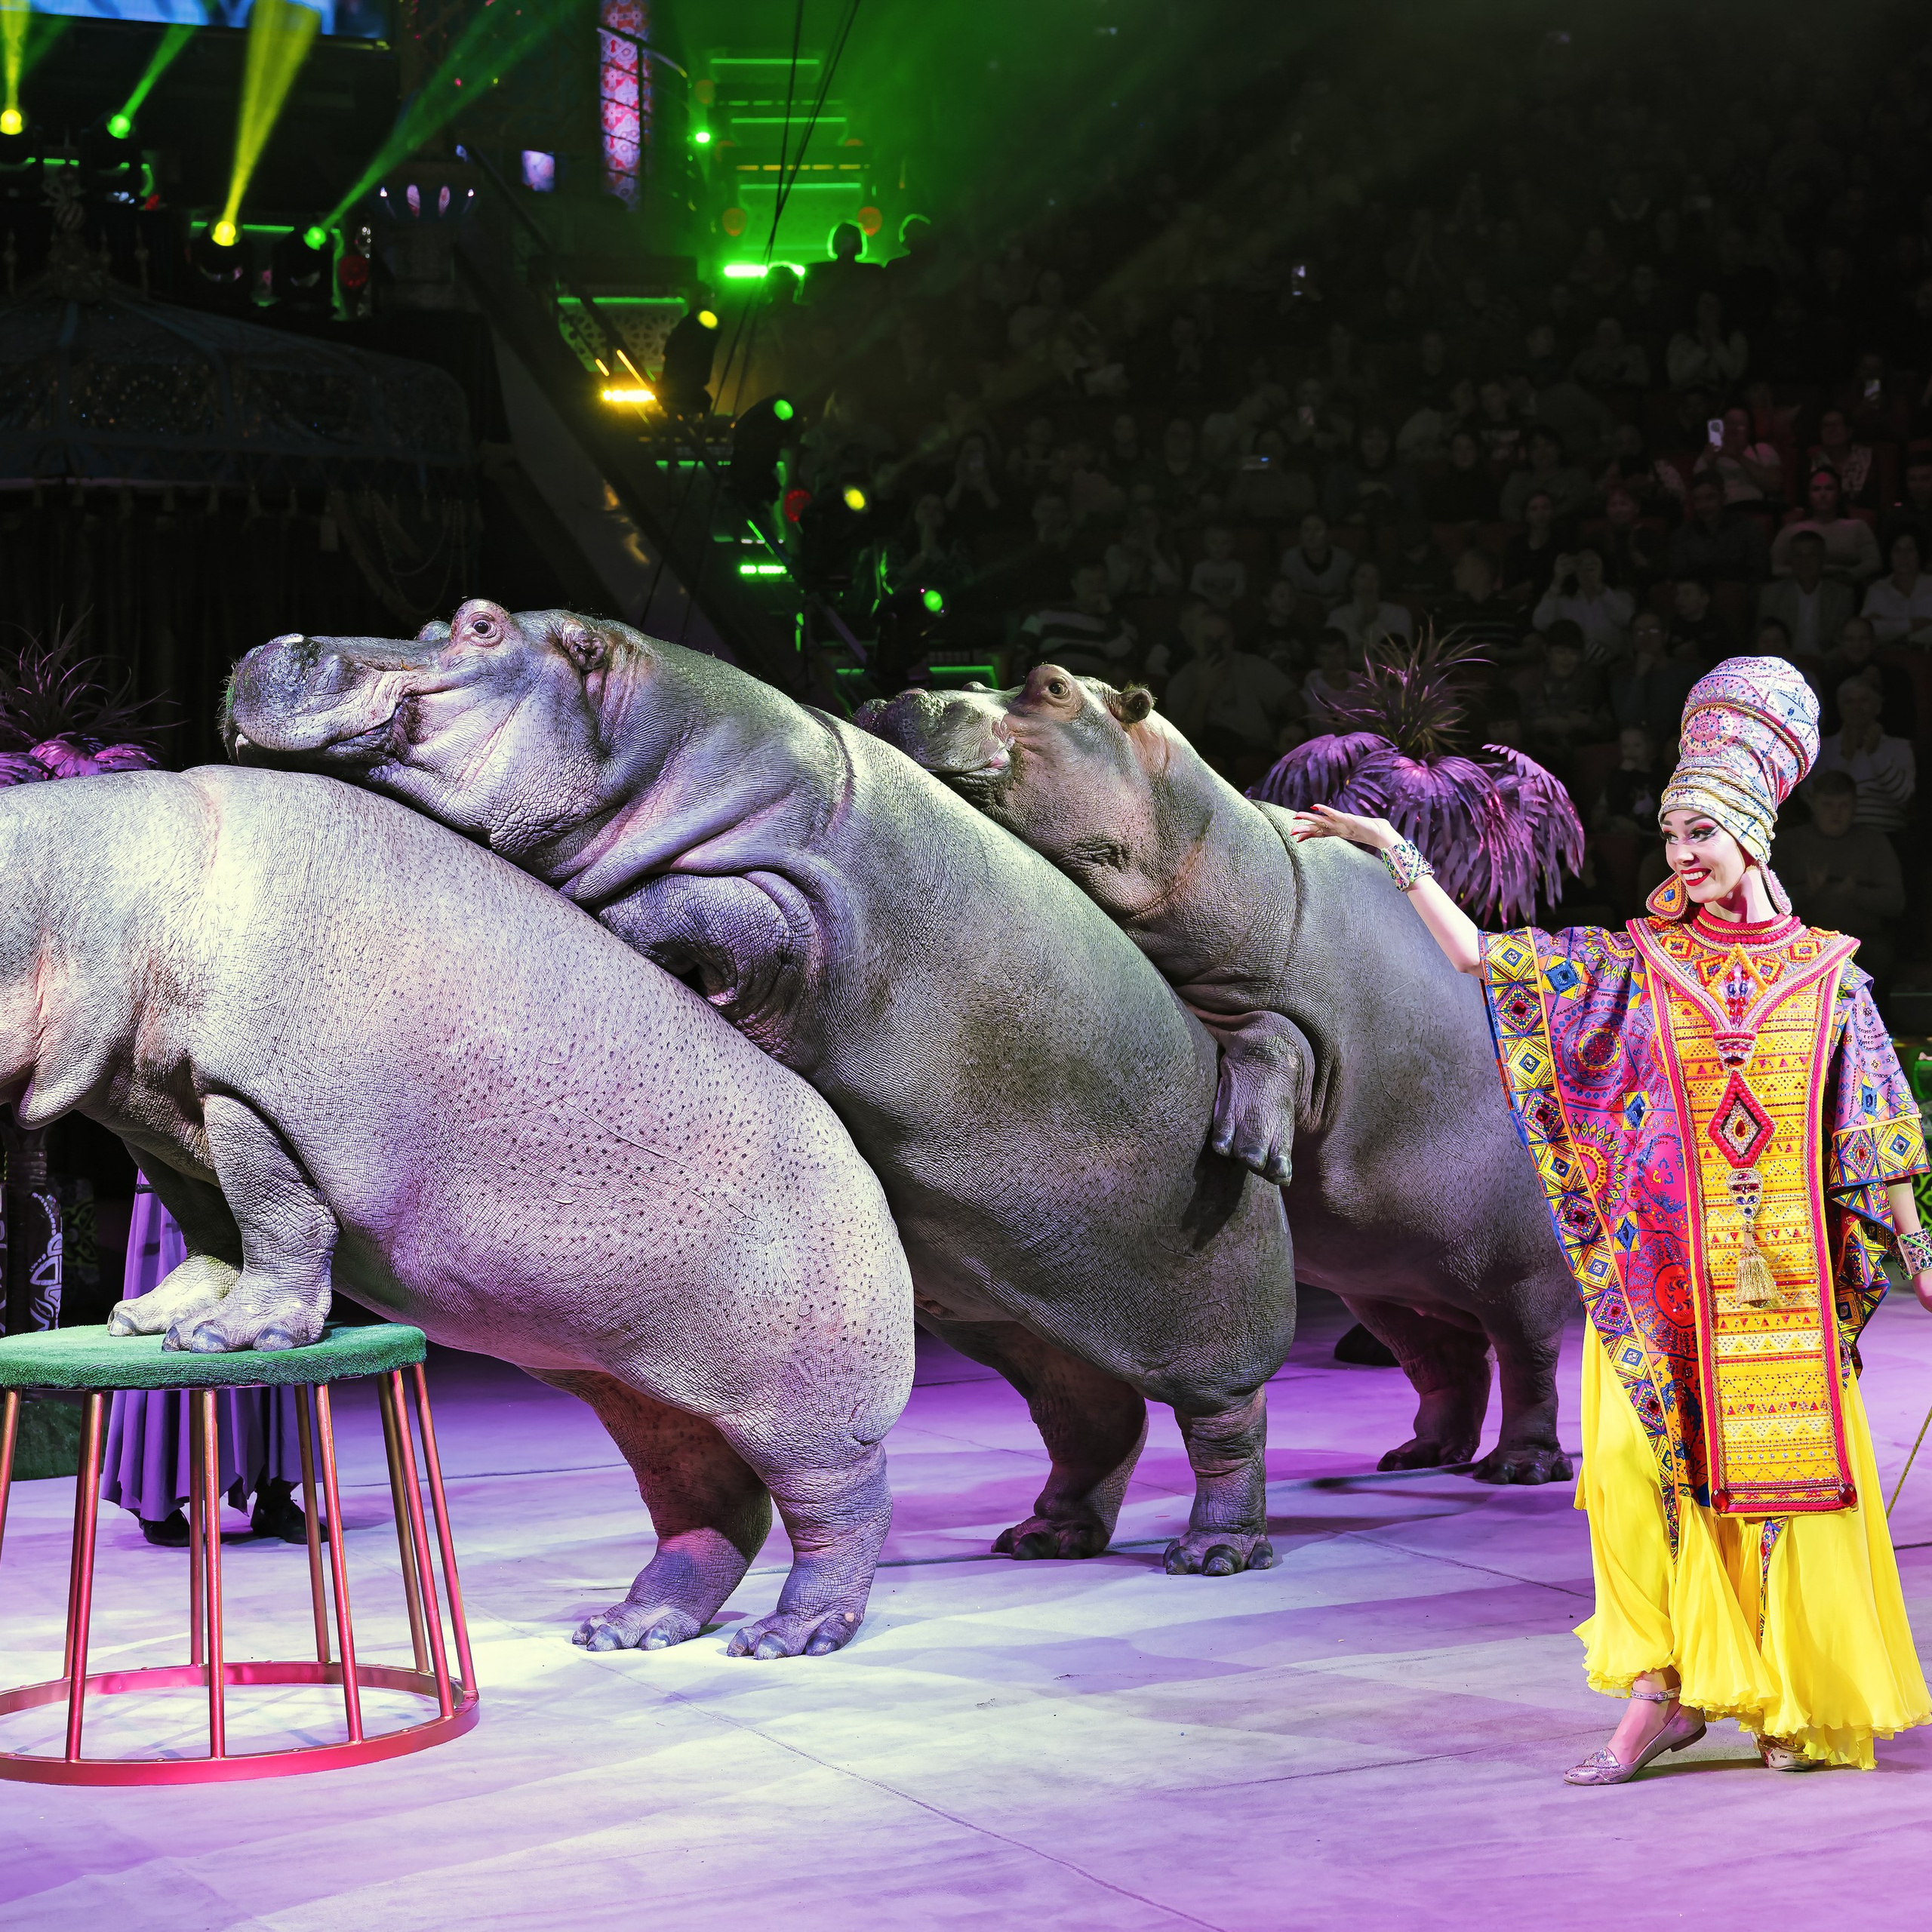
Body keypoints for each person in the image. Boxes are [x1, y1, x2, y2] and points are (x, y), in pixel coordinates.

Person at [1291, 655, 1931, 1779]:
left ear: (1752, 838)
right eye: (1674, 834)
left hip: (1780, 1297)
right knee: (1640, 1486)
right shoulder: (1639, 970)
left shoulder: (1833, 980)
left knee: (1782, 1485)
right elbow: (1488, 963)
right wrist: (1392, 857)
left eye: (1704, 834)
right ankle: (1663, 1696)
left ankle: (1783, 1690)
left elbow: (1873, 1143)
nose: (1683, 854)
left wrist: (1921, 1258)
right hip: (1660, 1287)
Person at [100, 1177, 307, 1548]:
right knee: (180, 1293)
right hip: (181, 1143)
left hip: (259, 1153)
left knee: (274, 1317)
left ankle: (275, 1494)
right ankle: (156, 1495)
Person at [1774, 768, 1904, 998]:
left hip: (1863, 943)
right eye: (1828, 805)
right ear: (1813, 804)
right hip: (1803, 944)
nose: (1836, 814)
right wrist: (1808, 891)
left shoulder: (1873, 842)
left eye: (1843, 806)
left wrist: (1856, 893)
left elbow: (1896, 903)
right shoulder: (1789, 843)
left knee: (1881, 956)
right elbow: (1767, 904)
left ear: (1855, 806)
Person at [1163, 608, 1297, 773]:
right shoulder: (1181, 681)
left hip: (1258, 753)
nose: (1217, 646)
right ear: (1193, 642)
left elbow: (1295, 704)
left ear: (1232, 639)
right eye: (1209, 640)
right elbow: (1183, 738)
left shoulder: (1252, 666)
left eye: (1222, 639)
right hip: (1206, 765)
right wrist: (1204, 692)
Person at [1814, 677, 1916, 834]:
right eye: (1849, 702)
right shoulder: (1823, 747)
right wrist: (1845, 757)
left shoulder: (1900, 747)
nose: (1857, 708)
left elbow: (1904, 797)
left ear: (1878, 707)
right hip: (1832, 837)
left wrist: (1875, 753)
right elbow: (1811, 797)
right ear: (1840, 710)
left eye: (1864, 700)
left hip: (1885, 836)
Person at [1018, 564, 1139, 679]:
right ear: (1075, 585)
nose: (1096, 588)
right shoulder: (1046, 616)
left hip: (1093, 688)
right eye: (1089, 583)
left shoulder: (1116, 622)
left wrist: (1109, 613)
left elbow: (1124, 658)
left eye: (1101, 582)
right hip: (1050, 684)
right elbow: (1020, 654)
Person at [1770, 470, 1882, 584]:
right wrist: (1806, 575)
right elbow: (1775, 567)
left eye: (1829, 488)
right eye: (1816, 489)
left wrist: (1850, 574)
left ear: (1838, 494)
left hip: (1848, 587)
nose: (1823, 494)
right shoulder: (1791, 530)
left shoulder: (1858, 527)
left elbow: (1874, 562)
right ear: (1809, 495)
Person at [1757, 531, 1854, 656]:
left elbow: (1843, 642)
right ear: (1791, 559)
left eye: (1812, 555)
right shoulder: (1771, 594)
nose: (1805, 561)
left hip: (1825, 664)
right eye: (1798, 555)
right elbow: (1763, 639)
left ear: (1823, 558)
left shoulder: (1842, 596)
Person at [1533, 549, 1635, 664]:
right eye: (1580, 564)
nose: (1585, 570)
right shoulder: (1564, 600)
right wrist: (1557, 580)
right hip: (1574, 667)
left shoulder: (1620, 596)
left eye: (1592, 565)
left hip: (1612, 666)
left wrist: (1599, 585)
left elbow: (1628, 619)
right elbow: (1540, 624)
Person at [1666, 475, 1770, 583]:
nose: (1703, 506)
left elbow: (1760, 575)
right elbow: (1678, 577)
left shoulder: (1748, 531)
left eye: (1710, 498)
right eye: (1697, 500)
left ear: (1723, 498)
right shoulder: (1681, 537)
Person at [1691, 405, 1783, 505]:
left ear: (1749, 431)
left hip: (1755, 507)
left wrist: (1738, 456)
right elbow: (1697, 491)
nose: (1733, 429)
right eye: (1729, 423)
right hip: (1722, 512)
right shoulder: (1711, 452)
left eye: (1740, 425)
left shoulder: (1762, 449)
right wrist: (1708, 462)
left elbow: (1774, 485)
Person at [1500, 429, 1595, 524]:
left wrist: (1545, 518)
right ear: (1528, 454)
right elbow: (1508, 509)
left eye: (1549, 445)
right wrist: (1530, 521)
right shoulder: (1518, 478)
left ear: (1559, 449)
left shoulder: (1576, 475)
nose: (1542, 451)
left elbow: (1578, 503)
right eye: (1535, 447)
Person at [1324, 560, 1414, 654]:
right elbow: (1333, 652)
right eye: (1363, 576)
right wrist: (1363, 623)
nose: (1369, 582)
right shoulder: (1337, 616)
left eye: (1375, 577)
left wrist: (1373, 623)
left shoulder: (1399, 614)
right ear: (1352, 582)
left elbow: (1399, 653)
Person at [1860, 530, 1932, 645]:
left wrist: (1891, 629)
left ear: (1920, 554)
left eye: (1909, 550)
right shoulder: (1877, 590)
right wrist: (1914, 625)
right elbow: (1866, 629)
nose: (1903, 556)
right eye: (1897, 550)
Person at [1278, 512, 1354, 601]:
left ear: (1328, 534)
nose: (1312, 535)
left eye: (1318, 529)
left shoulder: (1344, 559)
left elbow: (1351, 591)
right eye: (1306, 530)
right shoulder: (1291, 557)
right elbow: (1289, 593)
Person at [1189, 525, 1247, 611]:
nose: (1219, 547)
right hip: (1205, 606)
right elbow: (1194, 586)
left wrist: (1230, 598)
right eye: (1214, 542)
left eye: (1225, 543)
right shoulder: (1200, 567)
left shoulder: (1238, 567)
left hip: (1230, 606)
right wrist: (1209, 597)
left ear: (1232, 546)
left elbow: (1241, 588)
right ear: (1206, 546)